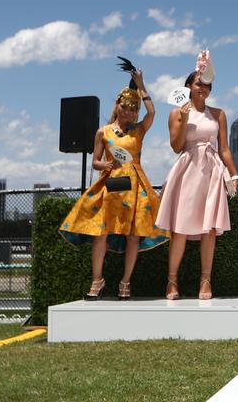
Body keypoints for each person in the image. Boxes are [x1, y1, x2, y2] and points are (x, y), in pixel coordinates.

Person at [59, 68, 169, 301]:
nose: (129, 112)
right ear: (117, 105)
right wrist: (106, 164)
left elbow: (152, 112)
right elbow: (95, 162)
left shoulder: (139, 130)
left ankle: (125, 282)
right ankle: (97, 280)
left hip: (135, 184)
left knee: (133, 236)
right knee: (101, 233)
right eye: (125, 106)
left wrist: (141, 86)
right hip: (112, 184)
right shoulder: (103, 132)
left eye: (133, 108)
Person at [156, 53, 238, 301]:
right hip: (187, 169)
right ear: (189, 87)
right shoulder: (176, 113)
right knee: (179, 229)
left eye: (206, 84)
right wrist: (183, 118)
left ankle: (206, 280)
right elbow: (177, 146)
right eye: (198, 84)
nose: (203, 88)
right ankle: (172, 281)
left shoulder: (219, 113)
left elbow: (224, 147)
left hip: (212, 171)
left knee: (209, 230)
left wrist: (234, 174)